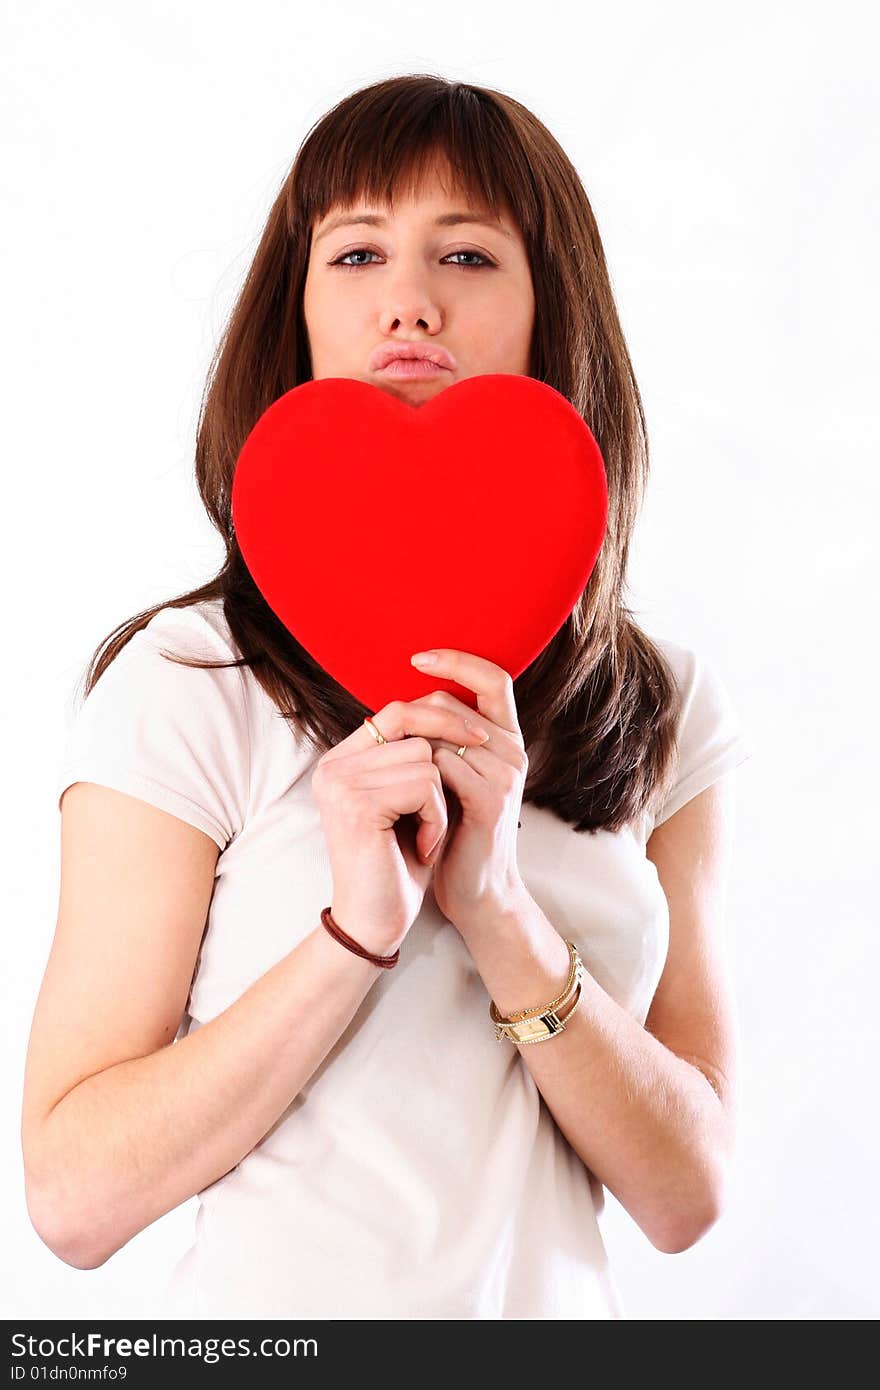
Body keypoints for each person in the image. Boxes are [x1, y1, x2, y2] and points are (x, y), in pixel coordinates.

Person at [22, 74, 753, 1320]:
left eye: (467, 252)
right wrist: (356, 931)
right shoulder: (191, 680)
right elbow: (74, 1200)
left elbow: (689, 1196)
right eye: (356, 252)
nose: (408, 301)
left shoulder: (660, 701)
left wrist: (498, 909)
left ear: (550, 308)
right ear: (297, 312)